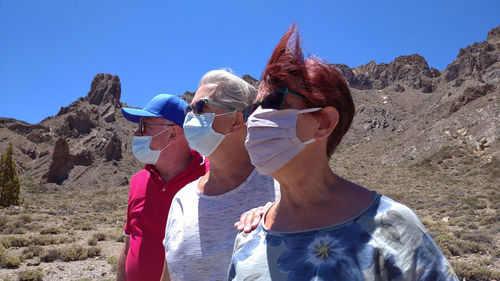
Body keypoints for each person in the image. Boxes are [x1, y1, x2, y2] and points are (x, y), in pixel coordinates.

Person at [228, 25, 459, 281]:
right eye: (253, 110)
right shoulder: (247, 235)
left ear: (323, 123)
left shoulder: (391, 225)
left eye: (274, 102)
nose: (257, 117)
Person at [161, 69, 280, 281]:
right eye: (189, 110)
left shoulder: (279, 189)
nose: (190, 117)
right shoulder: (182, 200)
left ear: (236, 120)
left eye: (200, 107)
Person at [117, 94, 208, 281]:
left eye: (144, 127)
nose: (136, 133)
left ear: (173, 133)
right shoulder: (138, 181)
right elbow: (130, 244)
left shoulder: (209, 176)